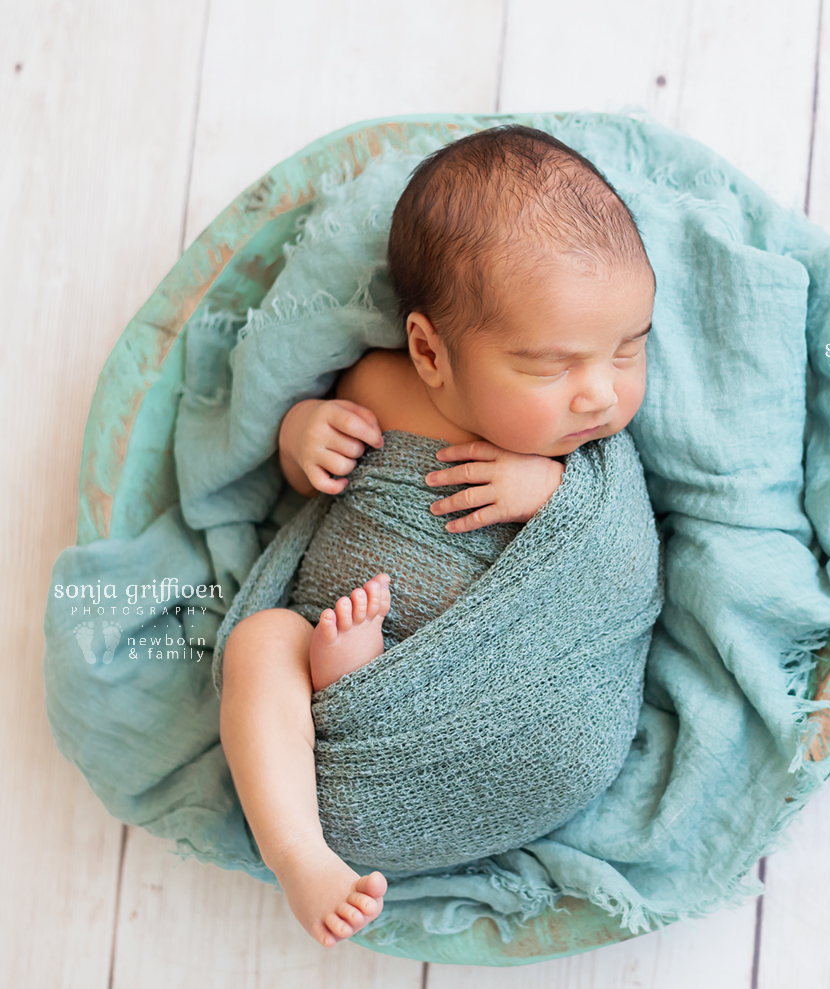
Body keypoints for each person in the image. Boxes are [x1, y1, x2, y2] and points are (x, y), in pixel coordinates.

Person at [217, 124, 657, 948]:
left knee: (295, 640)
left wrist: (554, 496)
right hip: (342, 744)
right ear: (429, 350)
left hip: (523, 715)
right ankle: (300, 851)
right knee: (261, 643)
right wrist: (304, 436)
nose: (599, 395)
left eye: (628, 349)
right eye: (551, 366)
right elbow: (305, 474)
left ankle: (355, 669)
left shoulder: (583, 455)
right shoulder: (374, 383)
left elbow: (624, 563)